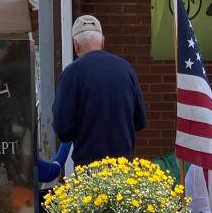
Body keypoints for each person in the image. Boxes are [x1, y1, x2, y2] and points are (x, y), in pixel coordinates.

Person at [52, 14, 146, 167]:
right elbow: (140, 121)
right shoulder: (125, 69)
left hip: (89, 169)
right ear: (102, 41)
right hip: (123, 168)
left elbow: (62, 129)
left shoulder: (70, 75)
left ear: (75, 45)